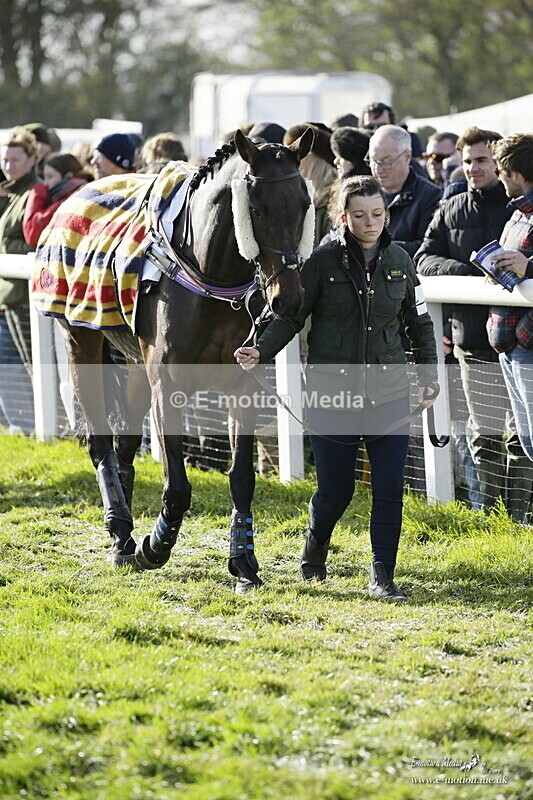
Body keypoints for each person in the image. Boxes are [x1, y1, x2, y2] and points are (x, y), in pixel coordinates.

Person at [234, 176, 438, 600]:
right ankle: (315, 548)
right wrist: (261, 350)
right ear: (344, 217)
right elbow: (291, 319)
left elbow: (419, 325)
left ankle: (382, 575)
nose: (371, 223)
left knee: (388, 489)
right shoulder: (321, 262)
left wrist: (429, 378)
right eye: (360, 215)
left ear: (386, 213)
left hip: (390, 393)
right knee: (336, 491)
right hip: (332, 396)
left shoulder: (402, 259)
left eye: (378, 214)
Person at [415, 126, 533, 521]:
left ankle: (520, 519)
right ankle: (496, 520)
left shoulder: (516, 206)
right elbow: (424, 259)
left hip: (520, 339)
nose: (474, 168)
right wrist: (467, 272)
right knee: (484, 436)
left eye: (483, 160)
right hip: (474, 338)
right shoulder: (452, 207)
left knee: (523, 438)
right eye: (466, 162)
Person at [487, 133, 533, 462]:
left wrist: (528, 267)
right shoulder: (516, 214)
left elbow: (525, 267)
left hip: (526, 341)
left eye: (500, 172)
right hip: (509, 342)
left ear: (514, 174)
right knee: (529, 443)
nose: (498, 179)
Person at [0, 127, 38, 432]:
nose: (8, 166)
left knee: (31, 367)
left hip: (25, 294)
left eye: (15, 159)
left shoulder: (33, 193)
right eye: (5, 160)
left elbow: (33, 243)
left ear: (31, 158)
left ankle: (32, 426)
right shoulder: (11, 193)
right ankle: (22, 425)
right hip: (8, 294)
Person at [367, 124, 442, 258]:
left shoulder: (431, 196)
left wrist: (376, 248)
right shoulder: (362, 194)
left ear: (407, 156)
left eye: (386, 161)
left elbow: (427, 247)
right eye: (373, 161)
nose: (378, 169)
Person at [23, 153, 87, 247]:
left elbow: (32, 234)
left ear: (68, 177)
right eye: (44, 177)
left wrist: (37, 191)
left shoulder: (70, 200)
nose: (46, 183)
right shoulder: (63, 196)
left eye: (50, 177)